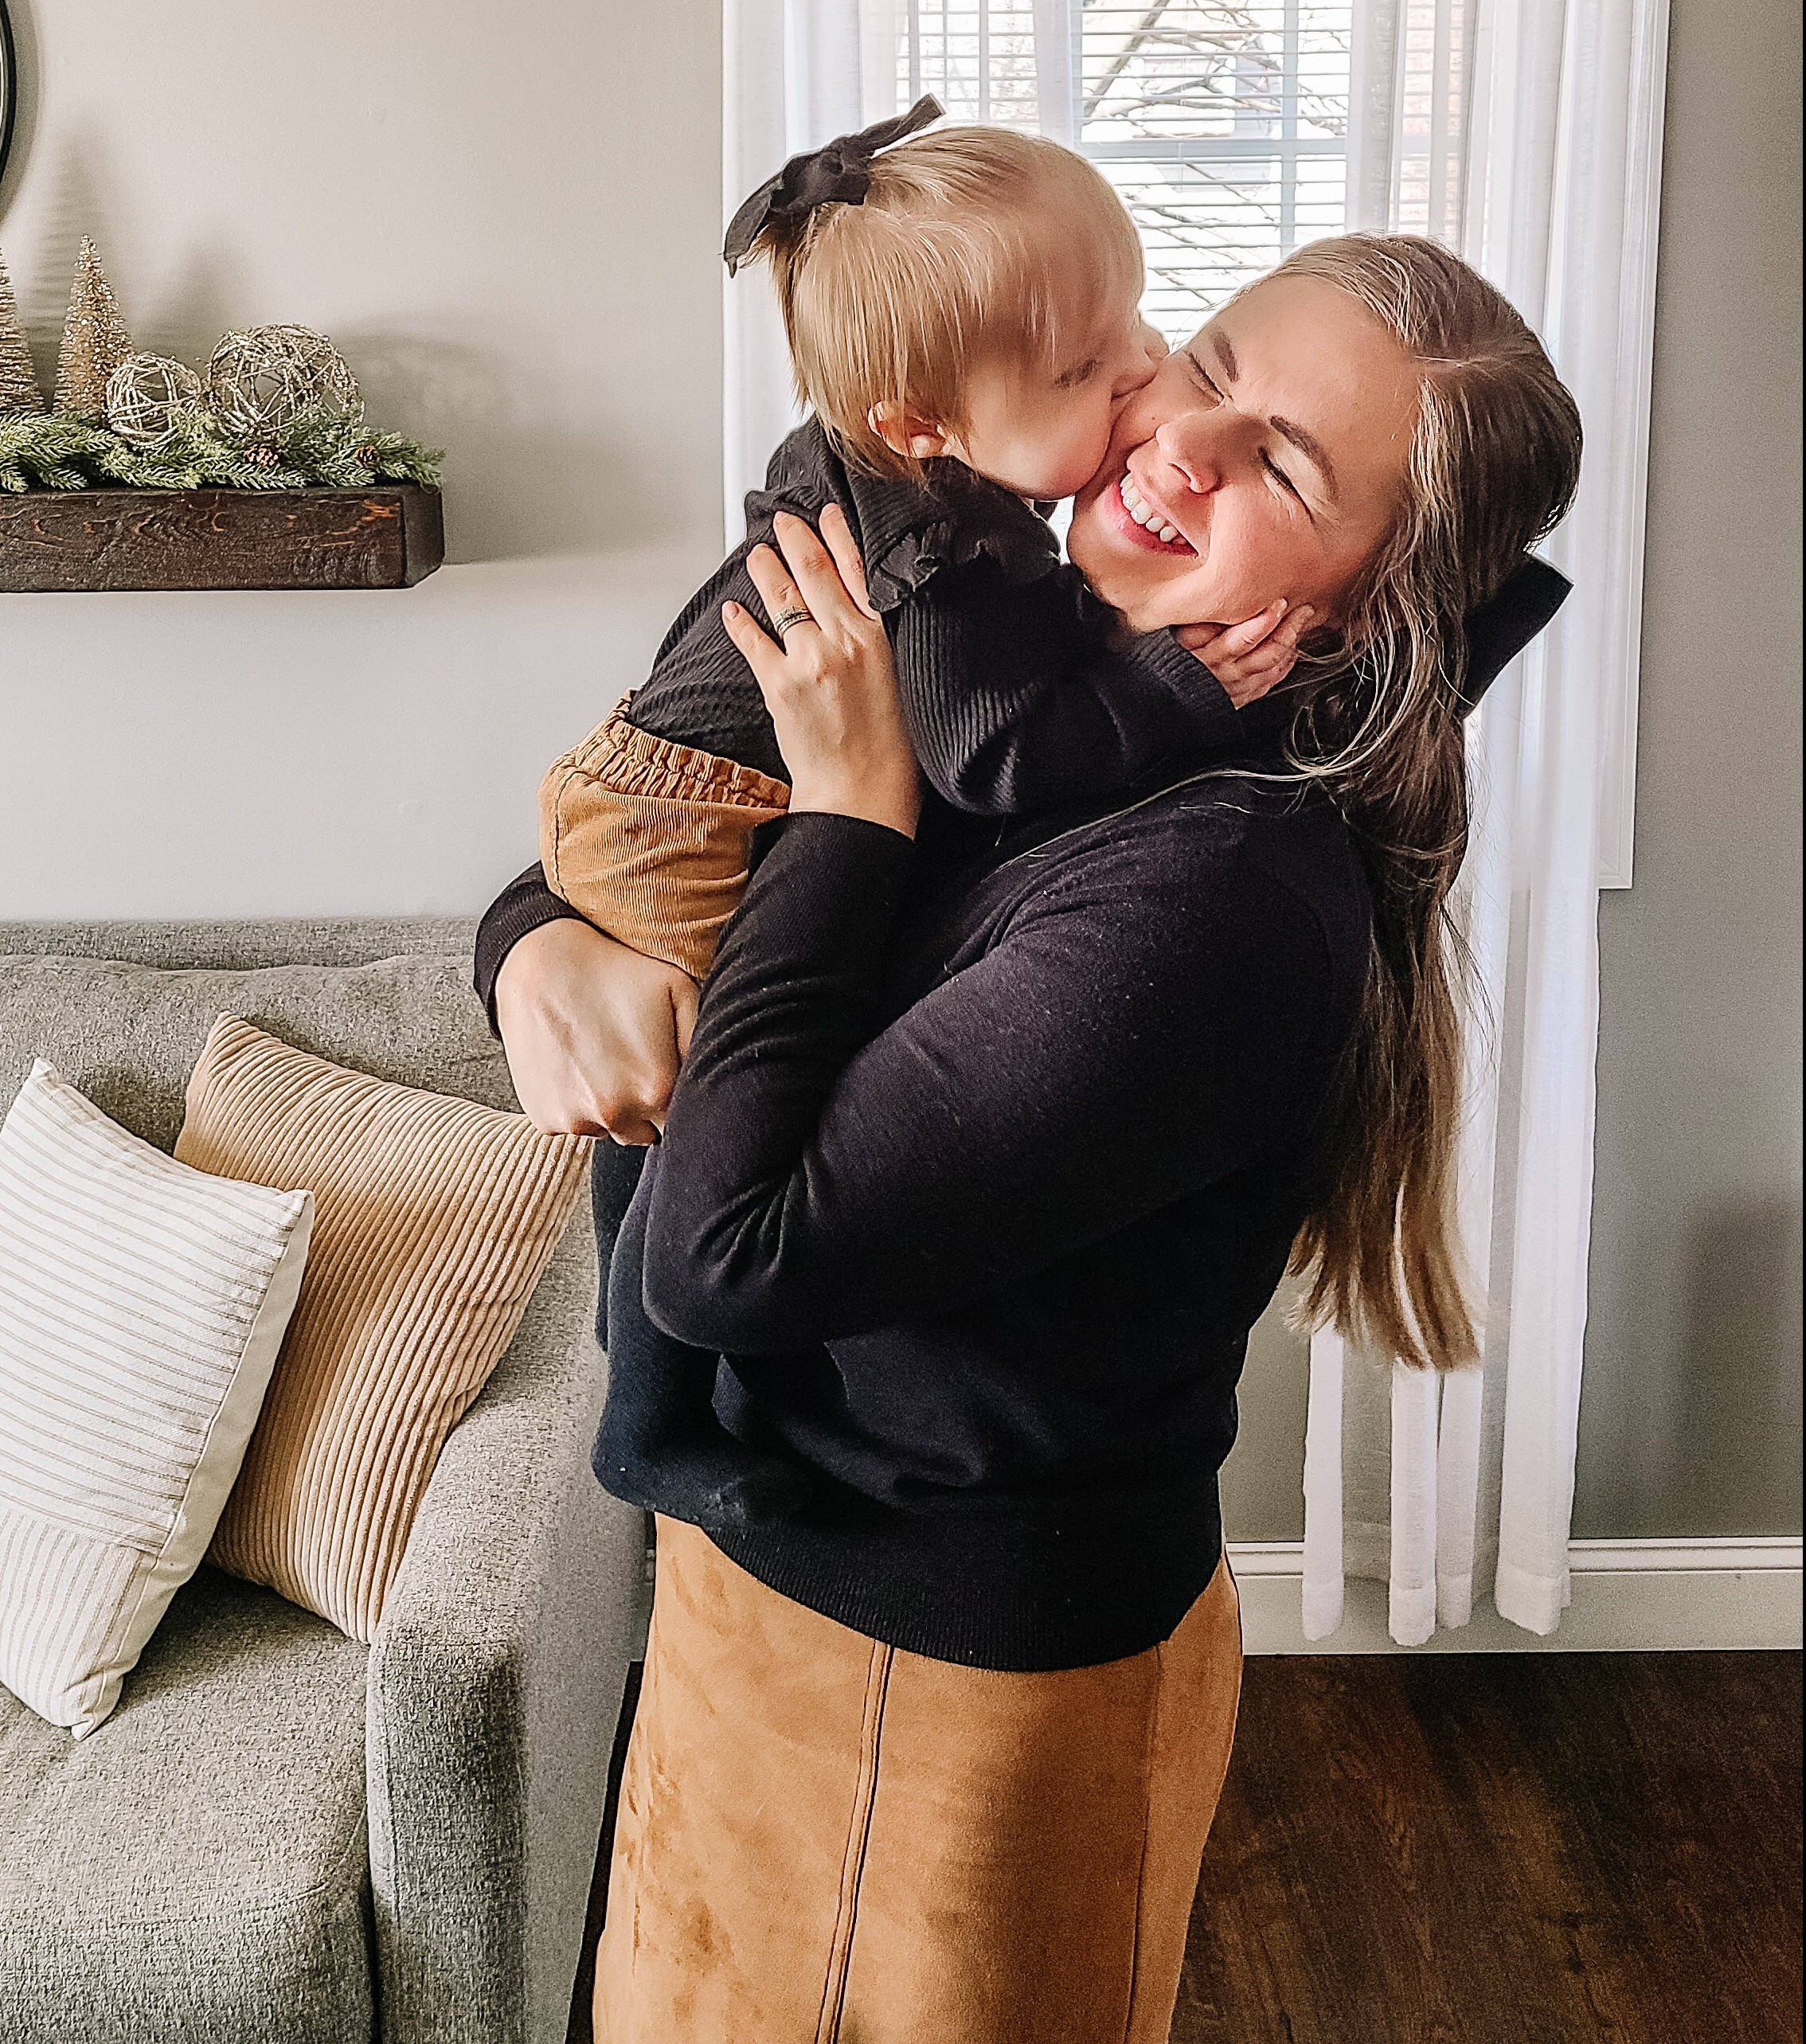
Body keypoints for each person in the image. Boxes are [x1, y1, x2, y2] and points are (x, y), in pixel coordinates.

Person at [477, 233, 1581, 2043]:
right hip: (760, 1605)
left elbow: (722, 1251)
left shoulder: (1218, 888)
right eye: (1211, 361)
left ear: (1377, 604)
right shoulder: (1015, 645)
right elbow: (671, 822)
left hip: (939, 1685)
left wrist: (845, 812)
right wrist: (535, 943)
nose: (1187, 442)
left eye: (1285, 465)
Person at [533, 99, 1312, 1531]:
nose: (1141, 370)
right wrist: (1174, 695)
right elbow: (993, 756)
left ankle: (643, 1400)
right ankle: (642, 1424)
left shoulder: (917, 463)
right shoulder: (949, 546)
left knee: (700, 1095)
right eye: (1088, 365)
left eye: (1146, 318)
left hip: (657, 787)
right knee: (710, 1107)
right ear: (922, 426)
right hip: (686, 812)